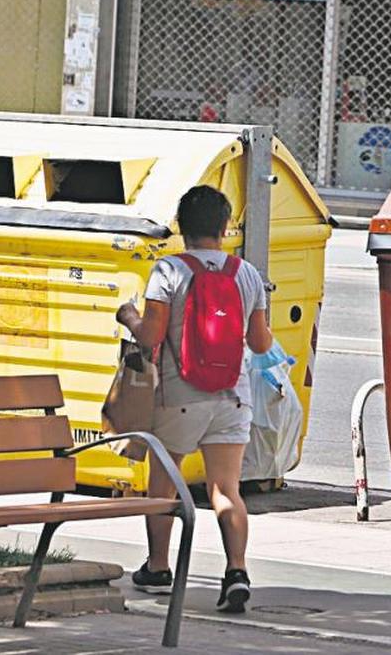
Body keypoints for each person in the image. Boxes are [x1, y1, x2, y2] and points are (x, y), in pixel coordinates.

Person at [116, 184, 272, 614]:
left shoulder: (168, 271)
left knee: (164, 481)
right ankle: (236, 571)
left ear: (182, 227)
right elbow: (260, 344)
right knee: (227, 490)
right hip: (232, 397)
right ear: (225, 228)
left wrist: (127, 315)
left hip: (179, 395)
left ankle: (158, 566)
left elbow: (149, 337)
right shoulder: (246, 274)